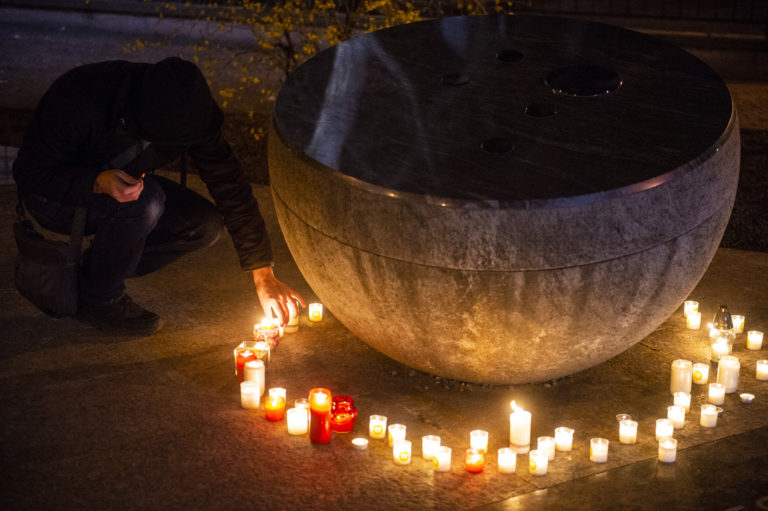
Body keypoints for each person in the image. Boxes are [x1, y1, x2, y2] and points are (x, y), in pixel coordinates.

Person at [13, 57, 305, 336]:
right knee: (146, 202)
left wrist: (262, 271)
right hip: (55, 196)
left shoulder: (191, 111)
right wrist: (95, 182)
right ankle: (98, 300)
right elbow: (29, 174)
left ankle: (95, 271)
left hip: (123, 190)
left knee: (203, 225)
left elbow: (229, 184)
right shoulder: (83, 97)